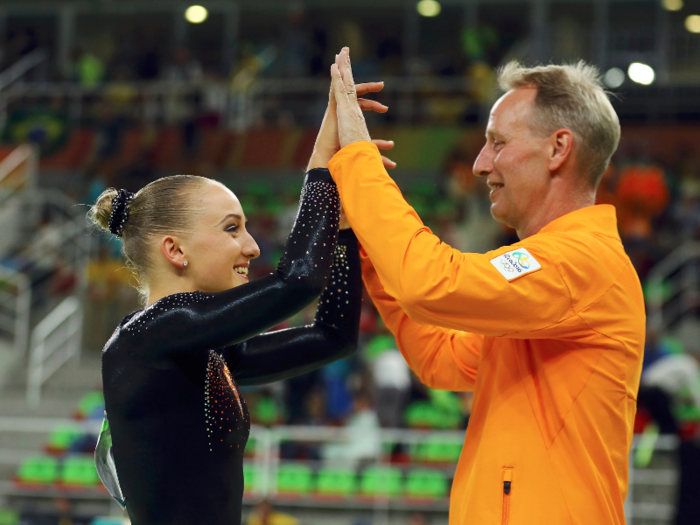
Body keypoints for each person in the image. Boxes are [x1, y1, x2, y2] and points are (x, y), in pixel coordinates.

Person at [327, 48, 645, 525]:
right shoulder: (557, 274)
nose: (479, 164)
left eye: (497, 142)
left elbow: (432, 284)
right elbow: (442, 356)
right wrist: (368, 242)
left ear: (559, 149)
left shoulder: (580, 263)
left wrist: (356, 160)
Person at [89, 80, 395, 525]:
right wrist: (325, 170)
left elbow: (332, 337)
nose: (252, 247)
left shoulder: (197, 351)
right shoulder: (150, 335)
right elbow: (298, 280)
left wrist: (344, 228)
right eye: (232, 229)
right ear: (175, 250)